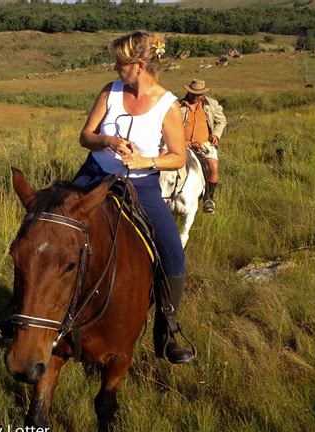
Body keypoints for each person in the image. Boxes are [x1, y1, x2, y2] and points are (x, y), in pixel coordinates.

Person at [73, 31, 194, 365]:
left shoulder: (167, 105)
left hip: (140, 185)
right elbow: (86, 136)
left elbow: (178, 157)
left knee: (173, 253)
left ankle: (167, 330)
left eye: (120, 63)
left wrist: (146, 161)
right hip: (95, 174)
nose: (115, 68)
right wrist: (108, 140)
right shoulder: (109, 92)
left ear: (139, 65)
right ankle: (19, 310)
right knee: (49, 224)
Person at [180, 79, 227, 214]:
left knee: (213, 165)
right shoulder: (178, 106)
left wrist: (216, 135)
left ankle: (208, 198)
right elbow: (171, 126)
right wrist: (181, 141)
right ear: (188, 92)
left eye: (199, 93)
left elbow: (221, 121)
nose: (197, 96)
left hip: (204, 143)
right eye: (194, 93)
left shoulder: (211, 104)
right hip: (183, 143)